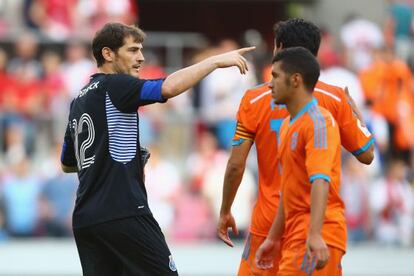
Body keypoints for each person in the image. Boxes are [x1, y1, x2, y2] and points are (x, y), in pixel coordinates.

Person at [60, 22, 254, 276]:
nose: (140, 58)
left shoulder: (79, 100)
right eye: (132, 50)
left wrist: (108, 156)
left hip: (86, 218)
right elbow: (168, 87)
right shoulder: (116, 85)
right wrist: (215, 62)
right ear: (108, 54)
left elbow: (67, 163)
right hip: (123, 211)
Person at [217, 18, 374, 276]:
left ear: (280, 49)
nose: (270, 82)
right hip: (293, 224)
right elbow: (366, 153)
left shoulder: (257, 100)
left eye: (275, 74)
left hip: (299, 225)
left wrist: (225, 210)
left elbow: (236, 164)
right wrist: (359, 120)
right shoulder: (333, 101)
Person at [256, 46, 345, 275]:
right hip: (296, 235)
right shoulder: (288, 124)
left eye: (275, 76)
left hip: (317, 233)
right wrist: (274, 238)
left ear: (295, 80)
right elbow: (289, 189)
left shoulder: (318, 123)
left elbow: (321, 180)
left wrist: (315, 234)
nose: (269, 83)